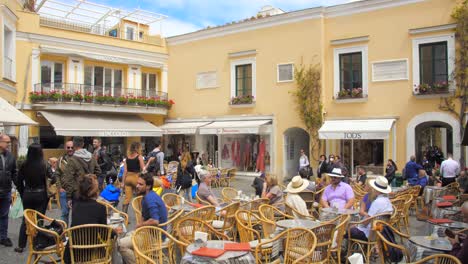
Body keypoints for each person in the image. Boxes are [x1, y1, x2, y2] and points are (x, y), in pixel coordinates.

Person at [119, 173, 168, 264]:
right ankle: (139, 258)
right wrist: (138, 228)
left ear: (148, 186)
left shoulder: (149, 199)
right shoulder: (148, 196)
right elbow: (144, 215)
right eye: (137, 183)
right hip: (150, 232)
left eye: (141, 184)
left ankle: (139, 261)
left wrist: (140, 225)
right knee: (127, 235)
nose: (137, 186)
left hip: (154, 235)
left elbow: (155, 220)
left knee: (120, 245)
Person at [13, 144, 50, 253]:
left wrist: (23, 192)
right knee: (39, 220)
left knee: (26, 220)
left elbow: (19, 181)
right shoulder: (44, 165)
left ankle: (21, 245)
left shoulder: (24, 164)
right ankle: (38, 243)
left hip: (28, 194)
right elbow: (52, 177)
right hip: (41, 194)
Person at [348, 176, 393, 241]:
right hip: (380, 232)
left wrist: (357, 224)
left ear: (375, 189)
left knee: (345, 230)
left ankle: (343, 248)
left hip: (370, 233)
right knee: (352, 225)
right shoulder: (387, 201)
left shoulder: (377, 202)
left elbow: (365, 222)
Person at [63, 136, 101, 207]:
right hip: (91, 191)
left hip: (78, 192)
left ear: (73, 145)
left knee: (78, 215)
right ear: (83, 144)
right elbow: (98, 171)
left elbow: (68, 179)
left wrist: (69, 197)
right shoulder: (91, 156)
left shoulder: (72, 160)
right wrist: (91, 179)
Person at [0, 134, 16, 247]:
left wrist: (20, 187)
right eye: (7, 142)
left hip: (6, 191)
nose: (9, 144)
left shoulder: (10, 156)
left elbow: (14, 173)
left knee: (4, 215)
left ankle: (3, 237)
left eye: (9, 142)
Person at [121, 142, 145, 214]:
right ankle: (140, 214)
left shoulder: (127, 158)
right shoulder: (139, 157)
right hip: (136, 177)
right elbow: (143, 169)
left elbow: (125, 171)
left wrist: (122, 183)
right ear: (137, 148)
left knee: (127, 198)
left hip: (127, 178)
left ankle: (124, 216)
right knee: (139, 197)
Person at [55, 140, 74, 225]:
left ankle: (74, 234)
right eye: (68, 147)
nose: (70, 149)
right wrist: (59, 187)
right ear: (65, 148)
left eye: (72, 147)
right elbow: (57, 174)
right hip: (64, 191)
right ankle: (64, 233)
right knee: (64, 214)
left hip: (75, 191)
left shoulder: (78, 159)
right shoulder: (60, 160)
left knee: (76, 214)